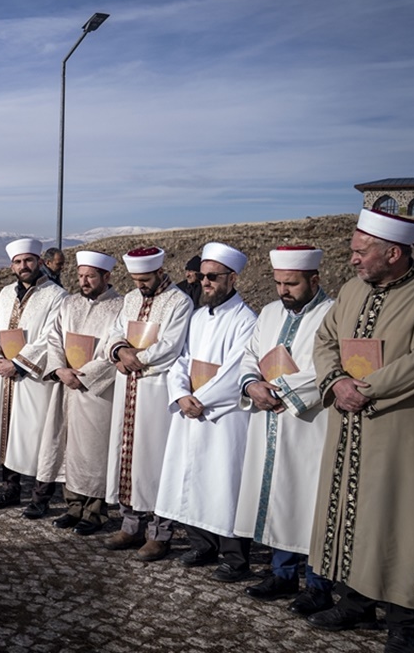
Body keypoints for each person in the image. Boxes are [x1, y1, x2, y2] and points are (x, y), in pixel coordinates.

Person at [308, 209, 414, 648]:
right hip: (347, 423)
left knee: (398, 519)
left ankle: (404, 622)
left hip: (396, 427)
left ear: (393, 253)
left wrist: (367, 389)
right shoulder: (352, 290)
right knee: (350, 511)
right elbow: (325, 340)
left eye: (361, 251)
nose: (352, 259)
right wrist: (337, 382)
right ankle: (355, 602)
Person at [233, 246, 334, 614]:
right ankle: (282, 574)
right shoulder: (270, 312)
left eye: (291, 284)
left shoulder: (333, 313)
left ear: (314, 279)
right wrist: (251, 385)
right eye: (278, 283)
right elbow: (250, 355)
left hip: (310, 422)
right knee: (276, 493)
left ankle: (318, 585)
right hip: (267, 416)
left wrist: (283, 392)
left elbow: (329, 366)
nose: (283, 291)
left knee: (308, 500)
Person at [157, 243, 258, 582]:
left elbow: (236, 370)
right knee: (191, 476)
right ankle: (202, 544)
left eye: (213, 277)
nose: (205, 282)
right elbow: (181, 359)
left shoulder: (246, 320)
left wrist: (199, 399)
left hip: (223, 416)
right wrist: (180, 393)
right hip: (191, 408)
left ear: (233, 278)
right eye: (202, 276)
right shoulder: (199, 317)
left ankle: (235, 557)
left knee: (223, 481)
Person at [102, 246, 193, 562]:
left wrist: (133, 358)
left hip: (156, 390)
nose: (140, 285)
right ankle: (130, 526)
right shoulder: (130, 299)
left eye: (145, 279)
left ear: (160, 271)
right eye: (135, 279)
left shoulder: (179, 302)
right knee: (127, 455)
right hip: (127, 385)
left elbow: (171, 345)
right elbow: (115, 332)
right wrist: (119, 351)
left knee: (155, 460)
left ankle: (159, 534)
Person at [0, 238, 67, 518]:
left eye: (29, 260)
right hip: (4, 375)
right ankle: (10, 489)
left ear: (39, 262)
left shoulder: (56, 295)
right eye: (18, 262)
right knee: (6, 433)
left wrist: (18, 364)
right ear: (11, 266)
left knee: (37, 435)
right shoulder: (6, 293)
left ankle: (40, 497)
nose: (24, 266)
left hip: (33, 378)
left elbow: (50, 337)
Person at [42, 251, 123, 535]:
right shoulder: (69, 303)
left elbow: (115, 347)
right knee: (67, 446)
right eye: (80, 276)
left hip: (96, 390)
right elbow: (54, 338)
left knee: (94, 449)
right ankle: (73, 506)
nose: (84, 282)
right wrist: (59, 369)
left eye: (90, 276)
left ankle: (94, 511)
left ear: (106, 276)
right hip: (67, 385)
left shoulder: (120, 307)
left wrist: (84, 375)